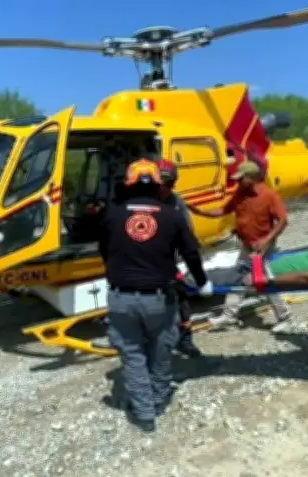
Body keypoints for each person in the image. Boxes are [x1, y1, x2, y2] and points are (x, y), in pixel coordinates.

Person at [99, 158, 213, 433]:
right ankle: (160, 400)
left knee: (133, 355)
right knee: (161, 351)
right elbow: (191, 252)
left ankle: (145, 413)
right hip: (160, 298)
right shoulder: (171, 215)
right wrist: (202, 282)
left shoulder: (112, 214)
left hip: (121, 297)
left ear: (128, 184)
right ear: (158, 185)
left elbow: (104, 250)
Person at [188, 160, 292, 332]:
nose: (237, 182)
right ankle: (229, 316)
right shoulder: (240, 193)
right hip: (247, 246)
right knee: (237, 278)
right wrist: (199, 212)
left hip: (263, 248)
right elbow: (223, 210)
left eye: (240, 179)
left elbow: (283, 221)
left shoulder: (269, 196)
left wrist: (266, 240)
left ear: (251, 178)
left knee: (264, 282)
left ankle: (286, 318)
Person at [156, 158, 202, 359]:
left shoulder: (177, 202)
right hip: (145, 266)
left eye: (169, 184)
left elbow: (188, 231)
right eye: (161, 184)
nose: (165, 189)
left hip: (169, 263)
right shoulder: (140, 204)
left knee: (182, 301)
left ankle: (185, 340)